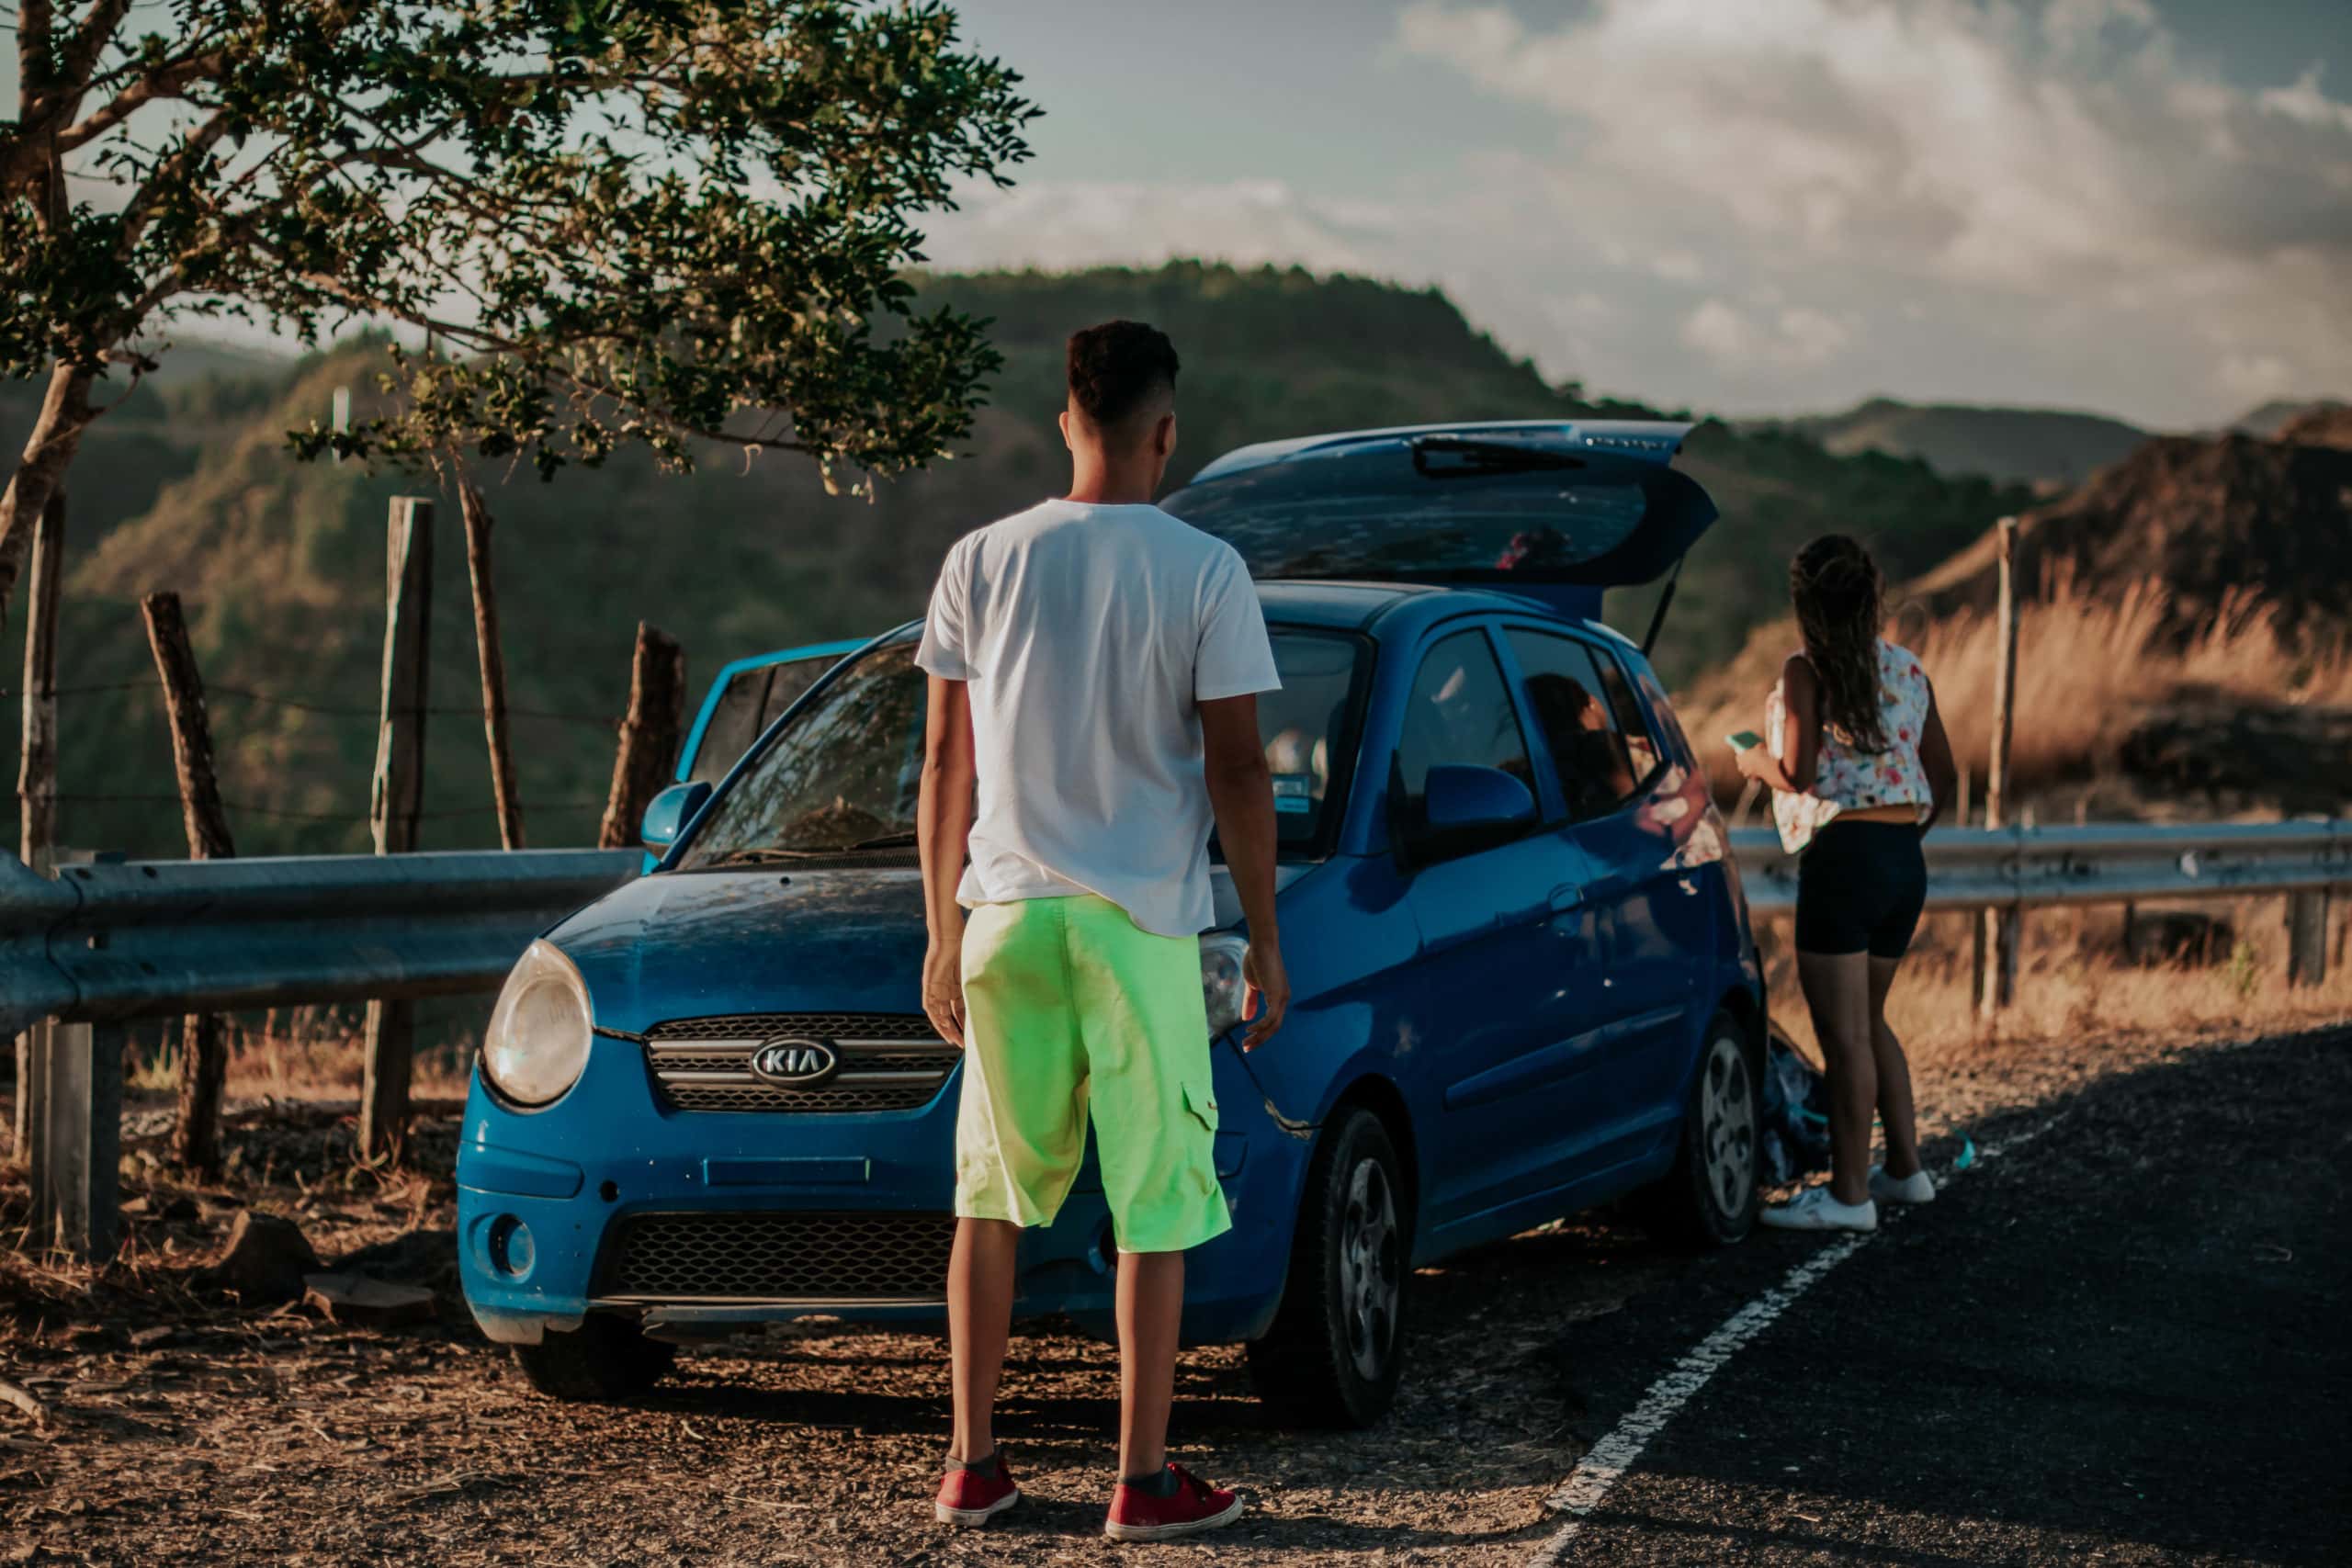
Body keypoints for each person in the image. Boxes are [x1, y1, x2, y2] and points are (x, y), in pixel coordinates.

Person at [913, 319, 1290, 1540]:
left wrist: (937, 929)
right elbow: (1238, 771)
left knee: (987, 1192)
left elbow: (939, 763)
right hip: (1141, 925)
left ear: (1066, 419)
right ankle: (1142, 1477)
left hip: (1005, 912)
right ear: (1166, 432)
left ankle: (972, 1462)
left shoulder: (981, 556)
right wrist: (1268, 938)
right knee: (1155, 1199)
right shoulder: (1206, 569)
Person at [1734, 535, 1957, 1233]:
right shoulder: (1907, 669)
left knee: (1844, 1036)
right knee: (1872, 1021)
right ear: (1871, 598)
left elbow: (1797, 773)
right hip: (1901, 858)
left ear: (1805, 605)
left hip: (1843, 859)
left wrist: (1751, 760)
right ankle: (1906, 1172)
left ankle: (1850, 1197)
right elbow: (1942, 778)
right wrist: (1897, 844)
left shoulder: (1806, 671)